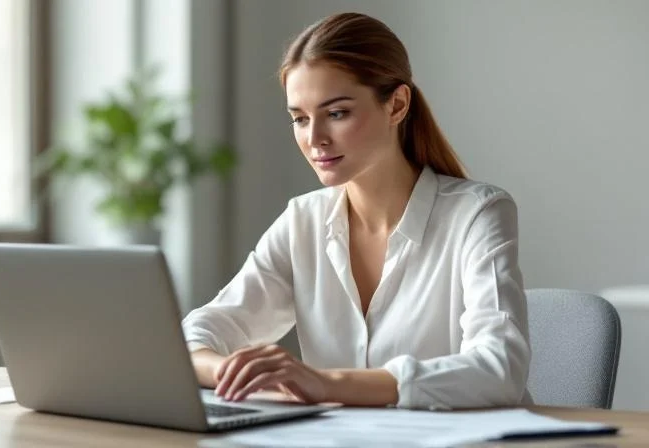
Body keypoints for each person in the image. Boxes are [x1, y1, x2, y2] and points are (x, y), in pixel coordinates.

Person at [181, 12, 531, 410]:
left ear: (397, 105)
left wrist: (326, 383)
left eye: (336, 113)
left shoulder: (477, 214)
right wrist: (237, 373)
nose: (315, 139)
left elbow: (500, 368)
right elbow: (198, 336)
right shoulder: (303, 221)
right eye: (299, 118)